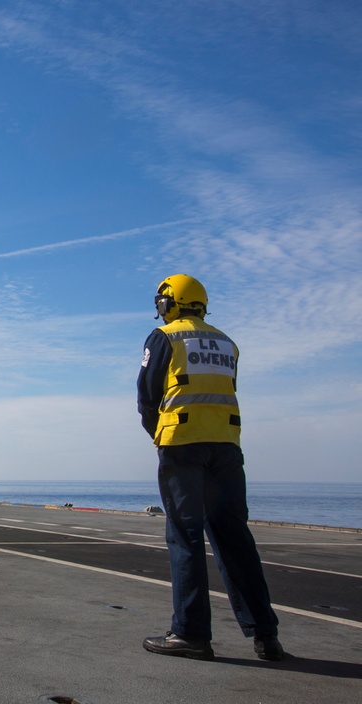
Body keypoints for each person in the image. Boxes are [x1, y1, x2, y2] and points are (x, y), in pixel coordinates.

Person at [137, 274, 283, 661]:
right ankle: (266, 636)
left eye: (160, 302)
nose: (159, 309)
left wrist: (160, 432)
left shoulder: (165, 338)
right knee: (235, 538)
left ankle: (191, 633)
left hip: (182, 448)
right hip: (226, 449)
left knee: (185, 536)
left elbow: (147, 395)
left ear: (171, 303)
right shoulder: (226, 342)